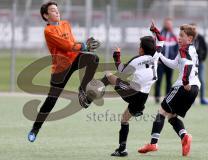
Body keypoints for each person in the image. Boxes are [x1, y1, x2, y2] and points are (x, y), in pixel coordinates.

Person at [27, 1, 101, 142]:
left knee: (94, 59)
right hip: (61, 68)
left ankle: (82, 89)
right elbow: (67, 46)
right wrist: (84, 45)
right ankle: (35, 128)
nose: (57, 12)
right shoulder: (48, 31)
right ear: (45, 15)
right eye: (53, 10)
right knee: (51, 100)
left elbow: (73, 44)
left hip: (75, 59)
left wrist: (84, 48)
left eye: (57, 10)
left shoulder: (65, 24)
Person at [100, 21, 164, 157]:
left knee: (108, 76)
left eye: (139, 45)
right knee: (124, 120)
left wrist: (116, 57)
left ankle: (88, 96)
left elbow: (122, 70)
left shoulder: (137, 60)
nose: (138, 47)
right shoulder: (156, 54)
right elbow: (161, 40)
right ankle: (122, 149)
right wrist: (155, 30)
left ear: (142, 49)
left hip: (132, 92)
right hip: (142, 98)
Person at [138, 24, 200, 157]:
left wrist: (185, 81)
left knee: (161, 111)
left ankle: (153, 143)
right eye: (179, 35)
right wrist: (159, 56)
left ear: (189, 39)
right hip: (195, 88)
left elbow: (187, 65)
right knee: (172, 116)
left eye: (182, 36)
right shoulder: (191, 49)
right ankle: (184, 136)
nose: (178, 38)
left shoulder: (184, 49)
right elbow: (173, 64)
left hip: (183, 87)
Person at [154, 18, 179, 103]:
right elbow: (155, 47)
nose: (168, 25)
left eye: (170, 24)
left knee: (169, 80)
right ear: (164, 24)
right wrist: (156, 59)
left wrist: (174, 60)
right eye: (167, 23)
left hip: (170, 62)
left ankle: (167, 97)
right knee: (159, 79)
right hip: (160, 62)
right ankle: (157, 97)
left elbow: (177, 49)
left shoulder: (174, 36)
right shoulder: (160, 34)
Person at [191, 23, 208, 105]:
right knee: (191, 81)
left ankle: (202, 99)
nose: (194, 30)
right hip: (190, 63)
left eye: (195, 29)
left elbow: (205, 49)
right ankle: (192, 99)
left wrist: (202, 58)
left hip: (200, 62)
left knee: (201, 80)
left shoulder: (200, 38)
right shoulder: (188, 38)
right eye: (192, 29)